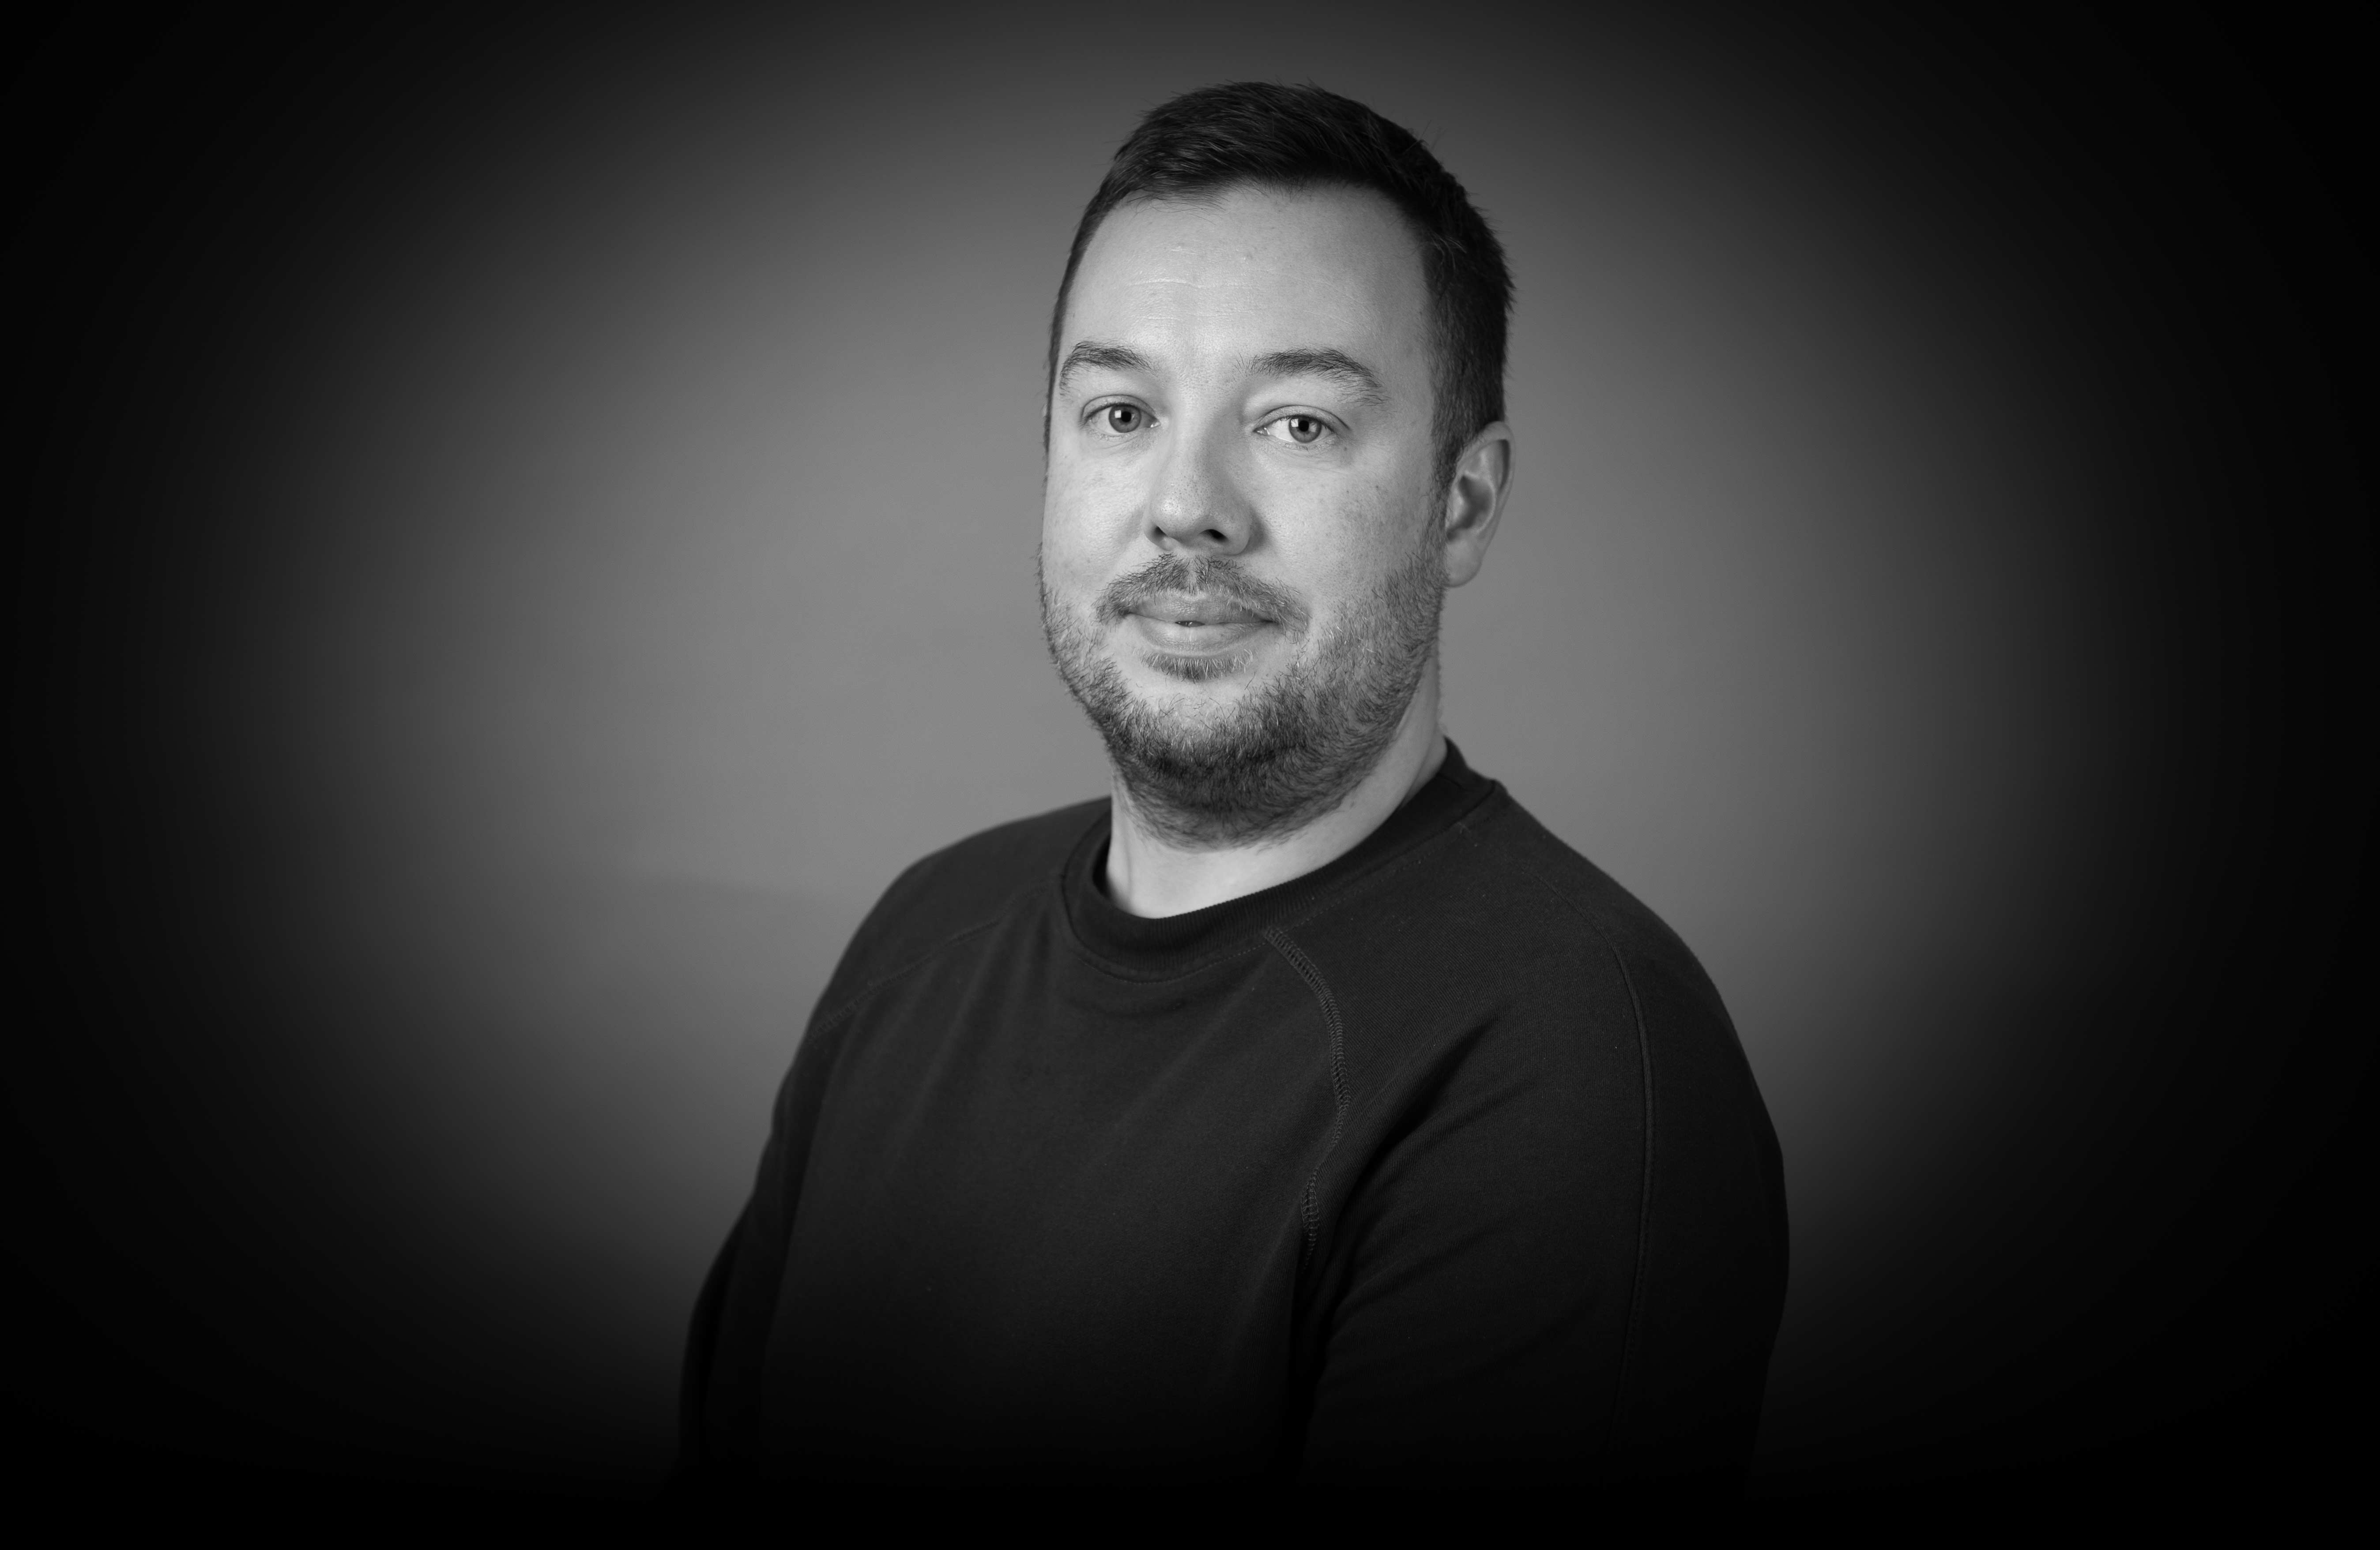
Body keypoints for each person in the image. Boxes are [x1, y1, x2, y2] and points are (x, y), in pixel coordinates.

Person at [678, 82, 1786, 1489]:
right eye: (1123, 409)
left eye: (1300, 423)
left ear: (1464, 504)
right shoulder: (921, 934)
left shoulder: (1572, 1066)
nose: (1185, 501)